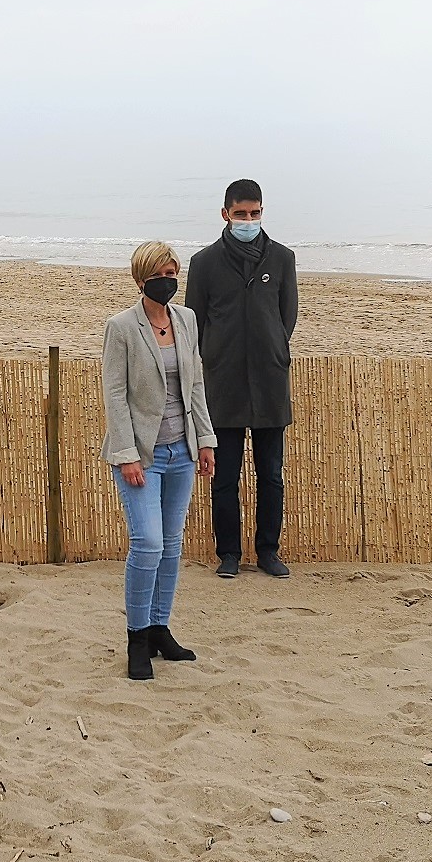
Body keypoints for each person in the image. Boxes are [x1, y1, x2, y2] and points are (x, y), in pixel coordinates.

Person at [103, 242, 217, 681]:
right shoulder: (121, 327)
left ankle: (159, 628)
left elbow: (196, 386)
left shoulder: (186, 319)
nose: (168, 278)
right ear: (141, 278)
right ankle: (136, 637)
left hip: (182, 452)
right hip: (142, 457)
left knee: (171, 544)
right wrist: (128, 454)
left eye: (173, 270)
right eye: (160, 273)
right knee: (147, 543)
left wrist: (204, 441)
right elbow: (114, 393)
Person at [185, 178, 298, 579]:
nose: (248, 220)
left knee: (271, 475)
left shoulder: (282, 258)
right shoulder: (204, 263)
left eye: (254, 213)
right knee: (225, 477)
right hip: (224, 383)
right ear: (225, 214)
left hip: (269, 382)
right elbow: (193, 322)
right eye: (240, 214)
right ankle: (228, 553)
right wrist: (216, 356)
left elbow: (288, 316)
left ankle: (268, 551)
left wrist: (272, 349)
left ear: (263, 212)